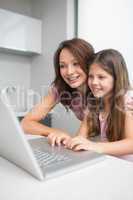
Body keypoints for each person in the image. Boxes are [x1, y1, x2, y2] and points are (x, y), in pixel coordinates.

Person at [21, 38, 94, 146]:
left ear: (89, 63)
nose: (69, 72)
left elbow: (80, 139)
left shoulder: (99, 88)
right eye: (62, 66)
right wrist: (57, 132)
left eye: (76, 63)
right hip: (93, 143)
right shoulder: (60, 88)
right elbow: (25, 124)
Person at [66, 49, 133, 162]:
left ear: (116, 79)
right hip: (108, 164)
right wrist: (67, 140)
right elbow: (81, 137)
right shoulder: (94, 103)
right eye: (91, 76)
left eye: (101, 77)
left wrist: (95, 146)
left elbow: (131, 144)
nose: (94, 82)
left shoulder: (127, 101)